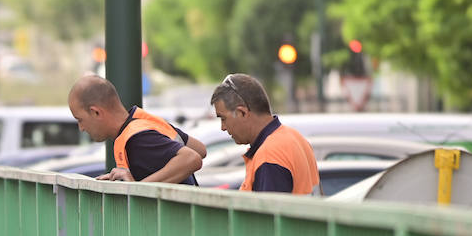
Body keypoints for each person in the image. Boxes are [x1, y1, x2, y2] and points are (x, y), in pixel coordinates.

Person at [67, 74, 205, 184]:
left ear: (96, 112)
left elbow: (193, 158)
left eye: (80, 120)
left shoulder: (137, 139)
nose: (81, 128)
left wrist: (138, 189)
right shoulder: (144, 121)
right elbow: (200, 149)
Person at [208, 73, 319, 194]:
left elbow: (268, 212)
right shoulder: (295, 137)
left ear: (242, 113)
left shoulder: (269, 155)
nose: (223, 127)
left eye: (223, 118)